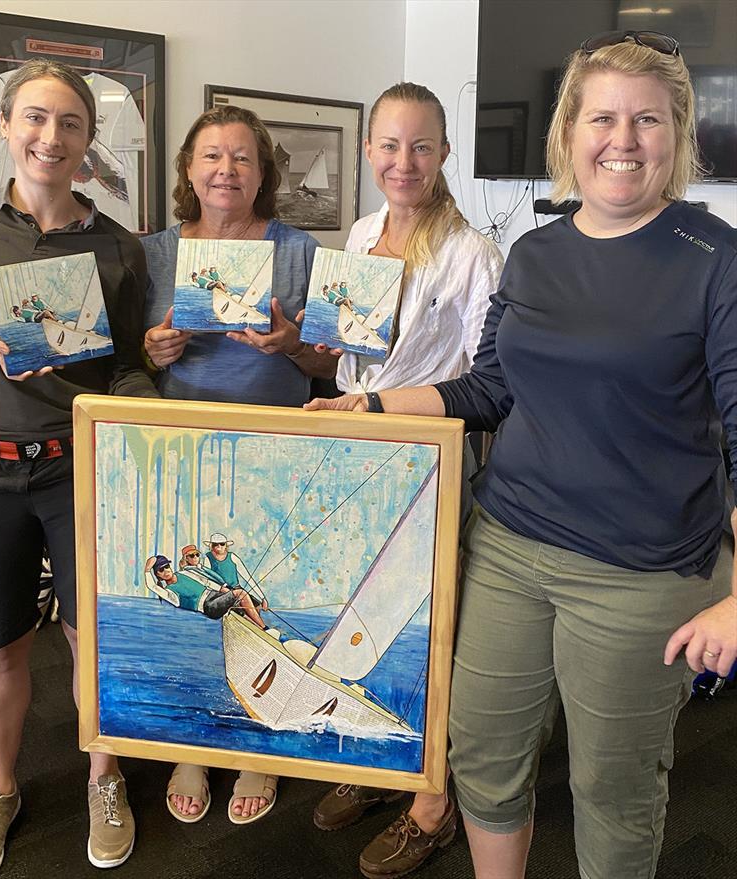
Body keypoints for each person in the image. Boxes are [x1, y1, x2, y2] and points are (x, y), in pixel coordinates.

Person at [306, 35, 737, 879]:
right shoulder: (537, 253)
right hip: (508, 545)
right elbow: (488, 389)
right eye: (602, 117)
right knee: (486, 758)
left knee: (611, 787)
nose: (622, 138)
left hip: (641, 572)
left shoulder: (714, 258)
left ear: (675, 133)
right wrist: (373, 402)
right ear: (570, 132)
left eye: (646, 119)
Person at [0, 59, 158, 879]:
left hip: (80, 469)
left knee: (90, 640)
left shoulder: (118, 247)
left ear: (89, 141)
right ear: (4, 127)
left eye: (69, 123)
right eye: (34, 119)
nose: (50, 137)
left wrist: (145, 406)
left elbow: (128, 364)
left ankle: (105, 777)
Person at [310, 82, 503, 879]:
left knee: (428, 633)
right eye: (389, 145)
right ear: (368, 152)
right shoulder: (358, 233)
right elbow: (345, 351)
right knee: (363, 623)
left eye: (421, 146)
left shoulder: (474, 253)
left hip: (430, 463)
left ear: (445, 154)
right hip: (357, 453)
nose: (404, 161)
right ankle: (392, 765)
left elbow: (491, 384)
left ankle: (435, 805)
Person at [141, 103, 336, 826]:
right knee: (196, 591)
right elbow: (126, 350)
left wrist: (289, 343)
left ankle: (258, 743)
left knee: (257, 590)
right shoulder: (153, 250)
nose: (228, 170)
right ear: (189, 170)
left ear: (264, 172)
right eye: (213, 156)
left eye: (244, 158)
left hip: (273, 449)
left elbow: (327, 362)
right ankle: (194, 741)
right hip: (180, 443)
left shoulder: (299, 250)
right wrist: (151, 349)